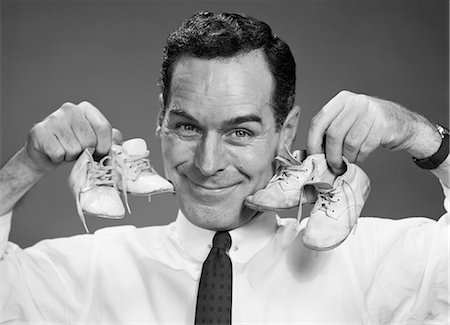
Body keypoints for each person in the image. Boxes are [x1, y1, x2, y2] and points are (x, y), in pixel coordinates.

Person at [0, 11, 448, 324]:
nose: (208, 164)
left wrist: (423, 138)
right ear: (161, 121)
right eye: (187, 127)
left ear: (286, 131)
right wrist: (26, 166)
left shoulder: (365, 264)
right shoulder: (87, 271)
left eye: (241, 132)